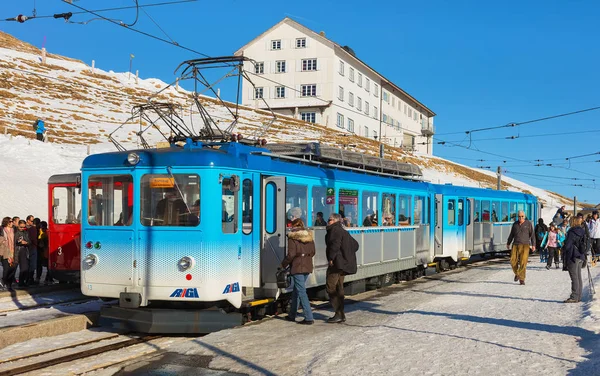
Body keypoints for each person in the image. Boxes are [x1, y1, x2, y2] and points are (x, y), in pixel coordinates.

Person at [281, 218, 316, 325]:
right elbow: (313, 252)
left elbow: (291, 254)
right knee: (297, 290)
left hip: (297, 267)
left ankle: (309, 317)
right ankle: (292, 314)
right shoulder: (309, 236)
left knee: (301, 292)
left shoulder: (293, 237)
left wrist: (283, 264)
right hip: (307, 266)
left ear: (293, 226)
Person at [325, 213, 359, 323]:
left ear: (335, 221)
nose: (328, 221)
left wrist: (331, 258)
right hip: (342, 264)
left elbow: (335, 245)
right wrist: (346, 254)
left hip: (336, 264)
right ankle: (341, 314)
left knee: (330, 287)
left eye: (329, 219)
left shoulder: (335, 230)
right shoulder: (343, 230)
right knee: (339, 287)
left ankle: (338, 313)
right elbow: (355, 245)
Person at [506, 210, 535, 285]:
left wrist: (533, 245)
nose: (520, 217)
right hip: (515, 244)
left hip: (525, 245)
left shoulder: (528, 224)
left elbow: (532, 235)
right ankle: (517, 273)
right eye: (519, 216)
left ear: (524, 217)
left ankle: (521, 279)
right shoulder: (515, 224)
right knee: (513, 261)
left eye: (522, 216)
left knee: (523, 262)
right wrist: (508, 242)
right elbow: (511, 234)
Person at [562, 217, 587, 303]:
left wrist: (564, 248)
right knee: (578, 276)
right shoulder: (582, 231)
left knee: (574, 277)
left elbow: (568, 245)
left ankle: (574, 296)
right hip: (581, 255)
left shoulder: (572, 232)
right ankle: (578, 295)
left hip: (573, 255)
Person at [1, 217, 16, 290]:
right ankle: (3, 281)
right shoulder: (2, 230)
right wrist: (2, 241)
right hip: (5, 251)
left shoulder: (13, 230)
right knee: (6, 268)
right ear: (7, 222)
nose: (12, 222)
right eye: (11, 221)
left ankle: (9, 284)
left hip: (13, 251)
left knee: (12, 268)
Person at [14, 220, 30, 288]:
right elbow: (15, 242)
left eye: (23, 227)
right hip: (18, 251)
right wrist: (20, 242)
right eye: (21, 227)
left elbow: (29, 241)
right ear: (18, 226)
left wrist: (26, 243)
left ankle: (22, 281)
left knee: (25, 268)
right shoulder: (16, 232)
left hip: (24, 250)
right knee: (14, 268)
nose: (22, 229)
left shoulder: (25, 233)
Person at [25, 215, 38, 285]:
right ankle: (29, 279)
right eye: (32, 221)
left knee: (32, 264)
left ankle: (30, 278)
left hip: (31, 247)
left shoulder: (31, 228)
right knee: (30, 264)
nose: (33, 223)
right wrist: (37, 244)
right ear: (28, 220)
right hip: (30, 247)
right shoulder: (31, 229)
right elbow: (34, 239)